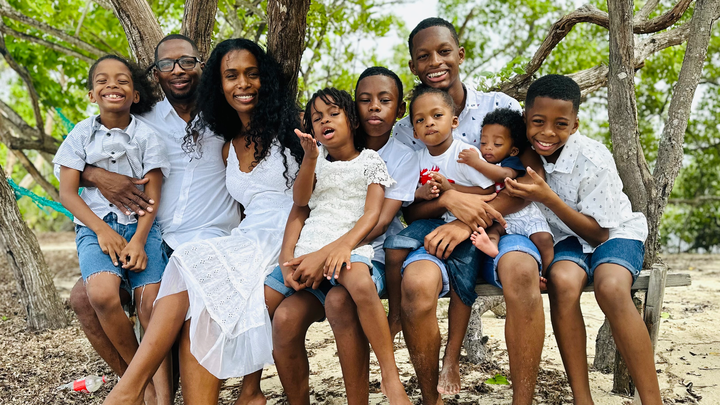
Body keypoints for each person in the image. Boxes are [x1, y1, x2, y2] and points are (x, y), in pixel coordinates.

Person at [103, 38, 303, 405]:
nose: (242, 84)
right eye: (231, 76)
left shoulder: (295, 131)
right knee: (201, 304)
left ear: (267, 79)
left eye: (252, 74)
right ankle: (141, 391)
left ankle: (128, 391)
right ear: (219, 84)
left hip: (290, 235)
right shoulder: (228, 143)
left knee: (192, 264)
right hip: (249, 236)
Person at [67, 34, 242, 404]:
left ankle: (145, 389)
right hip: (151, 233)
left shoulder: (226, 116)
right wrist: (98, 176)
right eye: (166, 64)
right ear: (155, 74)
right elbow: (76, 163)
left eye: (186, 61)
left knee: (161, 304)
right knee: (84, 298)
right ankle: (138, 387)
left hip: (206, 238)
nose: (177, 70)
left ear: (201, 66)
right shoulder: (141, 120)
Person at [388, 17, 547, 404]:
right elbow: (411, 209)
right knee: (416, 286)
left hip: (504, 226)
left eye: (444, 51)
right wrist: (447, 202)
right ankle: (432, 398)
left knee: (521, 271)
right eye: (423, 56)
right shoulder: (406, 131)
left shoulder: (500, 106)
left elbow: (531, 180)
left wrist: (468, 220)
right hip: (437, 231)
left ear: (460, 55)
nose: (435, 62)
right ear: (413, 66)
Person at [505, 74, 661, 405]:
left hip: (612, 231)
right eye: (538, 122)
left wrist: (548, 198)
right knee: (562, 282)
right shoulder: (520, 153)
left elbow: (598, 232)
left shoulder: (593, 158)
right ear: (525, 118)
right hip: (566, 237)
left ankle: (652, 400)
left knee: (612, 287)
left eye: (560, 124)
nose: (547, 133)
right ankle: (582, 398)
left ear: (574, 125)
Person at [264, 88, 411, 405]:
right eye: (317, 118)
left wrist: (342, 248)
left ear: (352, 121)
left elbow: (372, 214)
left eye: (333, 114)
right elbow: (300, 202)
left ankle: (390, 375)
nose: (325, 121)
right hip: (308, 249)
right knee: (276, 313)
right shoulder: (315, 163)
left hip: (349, 247)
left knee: (358, 282)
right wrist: (310, 159)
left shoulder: (370, 161)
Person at [53, 54, 172, 405]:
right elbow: (66, 192)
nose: (112, 85)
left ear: (135, 95)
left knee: (150, 305)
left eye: (122, 80)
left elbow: (153, 194)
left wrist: (139, 241)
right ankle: (139, 381)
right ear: (92, 95)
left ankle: (161, 397)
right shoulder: (80, 134)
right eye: (102, 80)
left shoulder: (147, 136)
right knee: (102, 295)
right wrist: (102, 231)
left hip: (142, 230)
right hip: (95, 228)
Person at [463, 108, 554, 278]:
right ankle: (492, 249)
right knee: (492, 233)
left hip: (523, 213)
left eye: (497, 144)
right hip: (501, 216)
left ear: (513, 150)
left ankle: (546, 274)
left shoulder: (510, 162)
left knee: (544, 239)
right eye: (483, 143)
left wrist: (476, 163)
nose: (488, 148)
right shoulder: (482, 161)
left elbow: (504, 175)